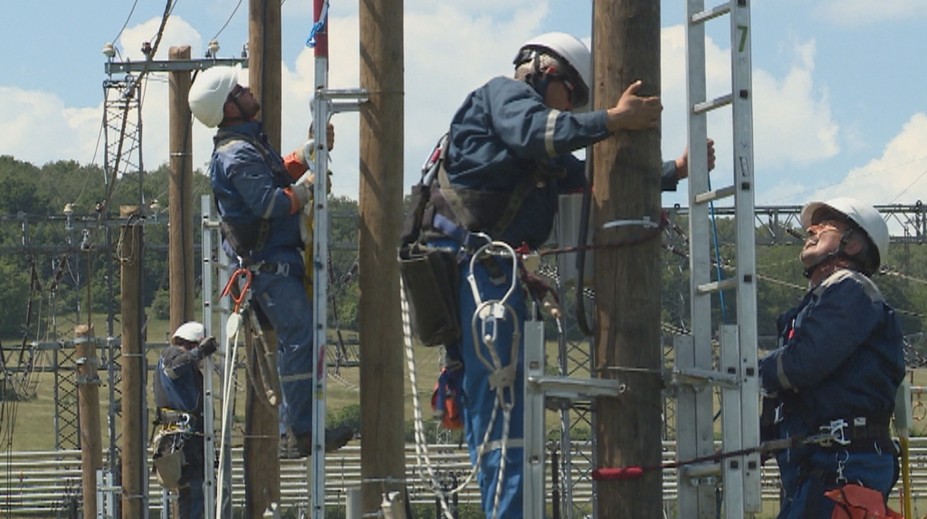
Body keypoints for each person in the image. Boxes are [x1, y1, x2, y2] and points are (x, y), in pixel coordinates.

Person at [406, 32, 713, 517]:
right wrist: (613, 119)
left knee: (503, 413)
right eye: (571, 96)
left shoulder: (534, 151)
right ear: (545, 71)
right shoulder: (504, 97)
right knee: (502, 415)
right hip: (475, 274)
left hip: (485, 276)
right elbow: (542, 131)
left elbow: (591, 181)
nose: (570, 111)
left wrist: (672, 171)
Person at [187, 64, 352, 459]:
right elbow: (270, 202)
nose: (247, 90)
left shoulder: (246, 146)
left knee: (301, 338)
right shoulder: (235, 154)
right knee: (300, 338)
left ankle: (300, 430)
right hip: (267, 268)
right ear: (229, 108)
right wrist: (308, 187)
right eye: (238, 89)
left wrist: (305, 154)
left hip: (273, 264)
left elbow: (273, 172)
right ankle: (297, 432)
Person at [758, 197, 904, 518]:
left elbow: (803, 363)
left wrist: (744, 373)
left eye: (823, 227)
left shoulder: (853, 291)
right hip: (817, 469)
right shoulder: (816, 306)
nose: (810, 232)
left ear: (852, 244)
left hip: (844, 465)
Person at [152, 321, 218, 519]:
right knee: (196, 490)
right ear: (192, 344)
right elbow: (175, 367)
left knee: (193, 491)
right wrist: (200, 352)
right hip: (182, 436)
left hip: (187, 436)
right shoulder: (171, 354)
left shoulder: (187, 367)